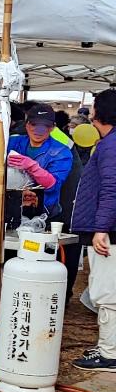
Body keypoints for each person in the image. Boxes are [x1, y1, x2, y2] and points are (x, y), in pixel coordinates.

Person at [70, 89, 116, 372]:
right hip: (109, 227)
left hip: (109, 232)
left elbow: (111, 189)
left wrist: (101, 228)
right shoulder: (109, 143)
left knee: (106, 292)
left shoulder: (111, 145)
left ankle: (109, 353)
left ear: (100, 113)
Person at [5, 103, 74, 220]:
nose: (38, 130)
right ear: (26, 125)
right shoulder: (12, 142)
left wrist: (33, 167)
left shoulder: (62, 152)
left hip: (43, 215)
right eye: (34, 124)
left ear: (52, 127)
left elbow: (53, 185)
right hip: (10, 211)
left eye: (45, 126)